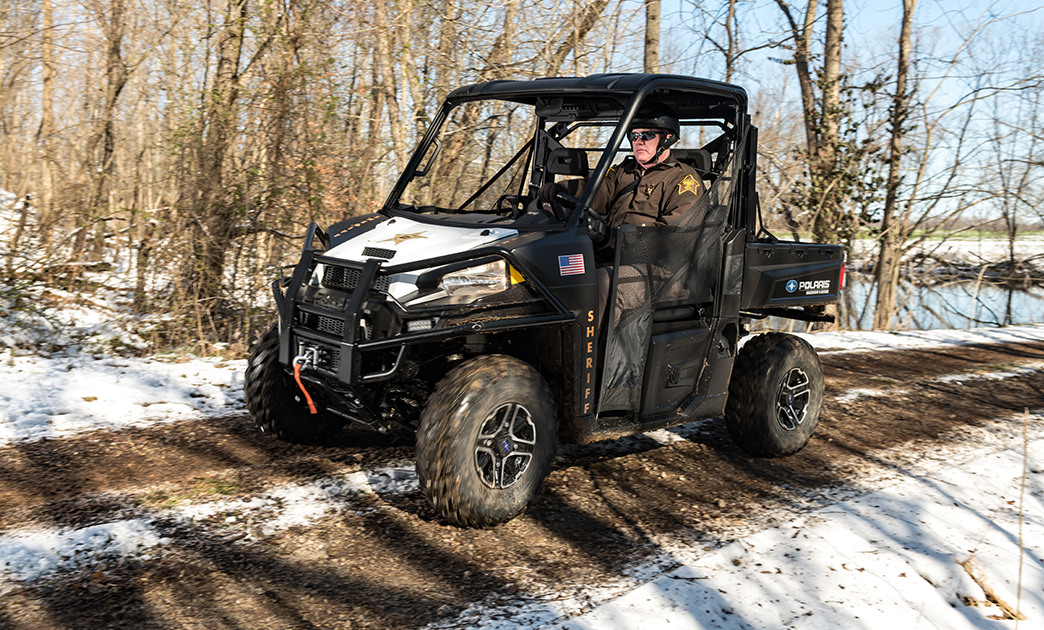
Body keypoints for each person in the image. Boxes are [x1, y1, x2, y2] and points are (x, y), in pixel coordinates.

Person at [541, 108, 707, 230]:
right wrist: (564, 189)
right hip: (608, 250)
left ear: (668, 139)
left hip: (650, 265)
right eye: (634, 136)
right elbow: (597, 190)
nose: (639, 141)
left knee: (599, 278)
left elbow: (675, 232)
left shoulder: (682, 179)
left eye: (647, 135)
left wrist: (623, 240)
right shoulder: (624, 171)